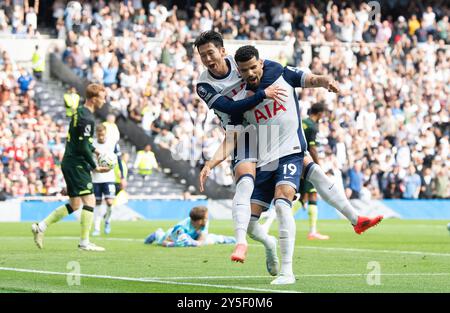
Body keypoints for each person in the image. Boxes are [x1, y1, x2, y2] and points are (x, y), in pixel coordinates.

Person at [203, 45, 383, 284]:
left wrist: (325, 81)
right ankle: (272, 244)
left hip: (291, 152)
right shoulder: (241, 101)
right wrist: (211, 163)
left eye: (253, 67)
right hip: (264, 162)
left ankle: (288, 272)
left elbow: (309, 78)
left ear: (262, 64)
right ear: (240, 71)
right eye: (244, 70)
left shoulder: (280, 73)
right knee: (250, 223)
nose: (250, 73)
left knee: (283, 202)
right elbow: (233, 136)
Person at [194, 31, 285, 268]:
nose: (207, 59)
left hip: (268, 128)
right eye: (202, 55)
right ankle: (241, 242)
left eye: (210, 52)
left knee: (296, 177)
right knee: (244, 182)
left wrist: (260, 92)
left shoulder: (241, 62)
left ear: (223, 51)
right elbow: (230, 108)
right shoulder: (204, 85)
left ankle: (352, 217)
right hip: (240, 134)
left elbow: (274, 69)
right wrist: (262, 94)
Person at [31, 83, 110, 251]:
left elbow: (82, 141)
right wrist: (94, 167)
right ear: (94, 99)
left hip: (70, 161)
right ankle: (84, 242)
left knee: (75, 204)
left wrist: (96, 151)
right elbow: (82, 147)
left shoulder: (79, 113)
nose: (104, 101)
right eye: (103, 98)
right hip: (77, 164)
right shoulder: (87, 118)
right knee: (89, 201)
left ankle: (41, 227)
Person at [144, 206, 236, 247]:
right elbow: (165, 242)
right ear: (199, 221)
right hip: (172, 236)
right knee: (160, 239)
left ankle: (234, 240)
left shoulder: (204, 222)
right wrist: (175, 245)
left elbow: (202, 240)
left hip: (193, 237)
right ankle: (157, 234)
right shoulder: (180, 228)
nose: (207, 219)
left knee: (211, 239)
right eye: (206, 217)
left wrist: (193, 243)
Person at [92, 124, 123, 236]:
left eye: (103, 135)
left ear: (106, 133)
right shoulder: (92, 144)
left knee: (110, 202)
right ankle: (96, 228)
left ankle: (107, 221)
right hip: (96, 177)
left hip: (109, 177)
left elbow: (118, 159)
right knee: (97, 203)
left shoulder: (112, 143)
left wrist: (122, 176)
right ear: (96, 134)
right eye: (99, 135)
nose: (101, 137)